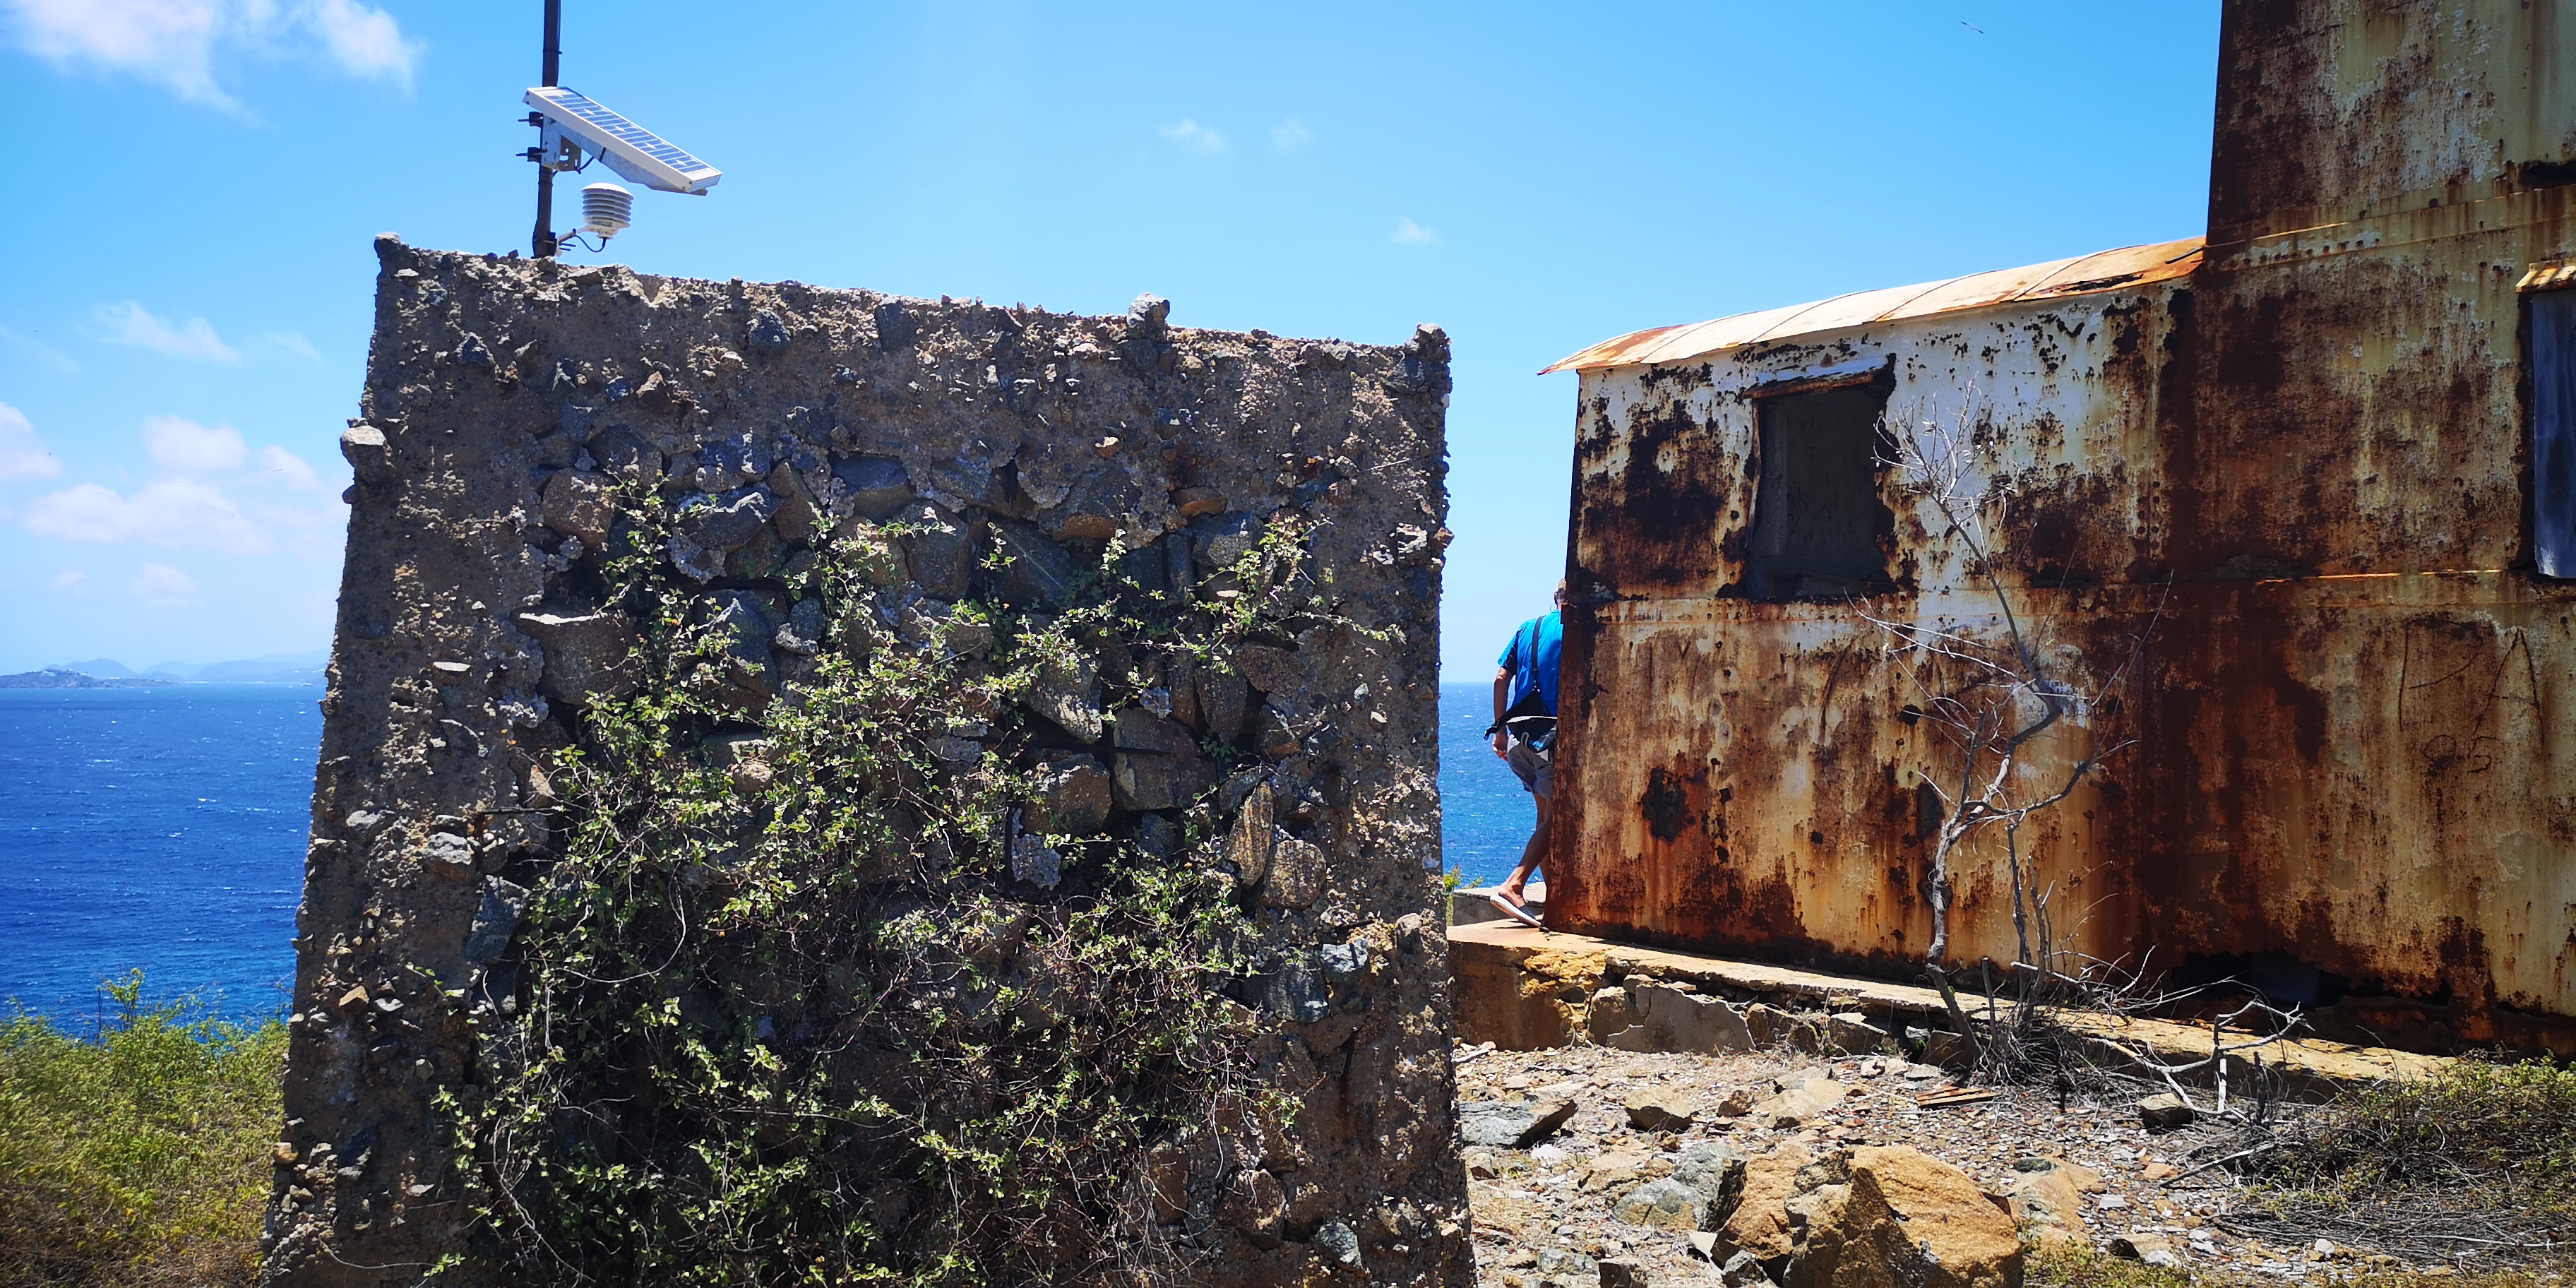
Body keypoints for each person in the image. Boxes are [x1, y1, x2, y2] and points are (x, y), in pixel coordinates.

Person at [1487, 580, 1564, 924]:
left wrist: (1500, 729)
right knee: (1559, 818)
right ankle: (1514, 885)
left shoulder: (1528, 628)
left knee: (1544, 817)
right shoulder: (1574, 628)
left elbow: (1501, 677)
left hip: (1519, 738)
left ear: (1554, 597)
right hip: (1551, 737)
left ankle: (1554, 898)